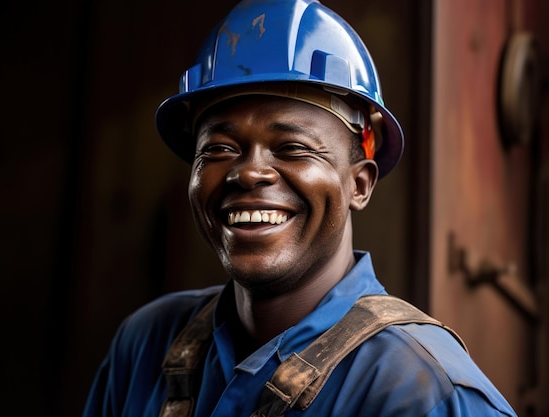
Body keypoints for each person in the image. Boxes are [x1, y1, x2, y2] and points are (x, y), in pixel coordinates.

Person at [82, 0, 518, 416]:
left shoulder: (425, 393)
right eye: (219, 148)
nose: (249, 173)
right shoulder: (146, 345)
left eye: (292, 147)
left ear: (359, 184)